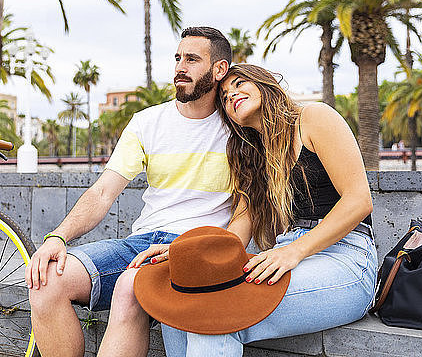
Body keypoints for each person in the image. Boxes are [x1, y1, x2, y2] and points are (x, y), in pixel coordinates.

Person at [130, 64, 378, 356]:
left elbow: (359, 200)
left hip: (346, 258)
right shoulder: (251, 155)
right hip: (284, 255)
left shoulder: (313, 117)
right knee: (182, 305)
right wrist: (183, 252)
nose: (231, 94)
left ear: (264, 82)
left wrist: (293, 251)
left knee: (213, 318)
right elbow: (238, 231)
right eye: (223, 97)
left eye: (238, 83)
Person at [25, 26, 233, 357]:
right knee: (46, 282)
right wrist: (58, 237)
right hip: (141, 243)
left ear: (219, 70)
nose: (180, 67)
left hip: (197, 247)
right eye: (178, 58)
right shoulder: (146, 122)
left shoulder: (239, 127)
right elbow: (103, 192)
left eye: (192, 59)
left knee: (130, 286)